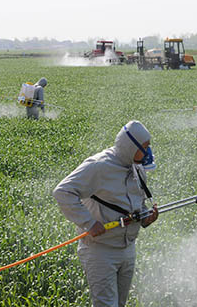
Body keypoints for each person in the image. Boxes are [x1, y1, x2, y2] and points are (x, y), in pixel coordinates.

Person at [53, 120, 159, 307]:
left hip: (127, 248)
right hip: (100, 251)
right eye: (144, 147)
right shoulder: (98, 166)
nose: (147, 152)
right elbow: (63, 192)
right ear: (130, 146)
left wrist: (145, 217)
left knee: (119, 304)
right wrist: (89, 223)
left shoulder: (137, 166)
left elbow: (137, 201)